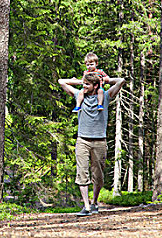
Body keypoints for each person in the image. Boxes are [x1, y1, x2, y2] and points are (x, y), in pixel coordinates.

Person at [58, 72, 125, 216]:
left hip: (100, 141)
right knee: (82, 173)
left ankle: (94, 203)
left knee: (98, 176)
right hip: (82, 140)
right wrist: (80, 82)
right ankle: (86, 206)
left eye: (87, 84)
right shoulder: (79, 95)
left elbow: (121, 81)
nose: (84, 86)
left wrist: (106, 80)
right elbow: (61, 81)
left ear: (95, 86)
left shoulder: (105, 96)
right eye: (84, 84)